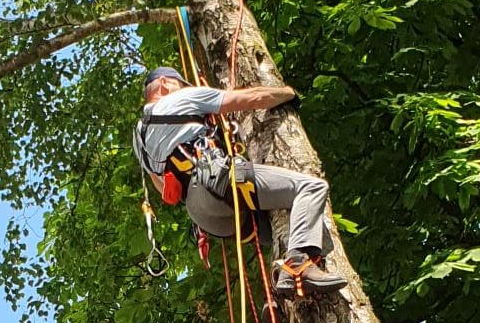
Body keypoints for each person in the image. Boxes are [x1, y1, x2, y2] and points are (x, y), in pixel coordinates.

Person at [133, 66, 345, 295]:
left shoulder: (139, 136)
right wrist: (288, 93)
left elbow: (162, 187)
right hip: (218, 181)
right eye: (181, 84)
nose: (186, 88)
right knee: (311, 187)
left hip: (202, 214)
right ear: (164, 83)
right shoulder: (182, 97)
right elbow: (250, 98)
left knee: (276, 230)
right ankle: (297, 266)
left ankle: (277, 294)